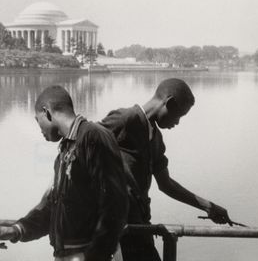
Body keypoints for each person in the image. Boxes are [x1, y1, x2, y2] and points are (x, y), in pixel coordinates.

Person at [0, 85, 129, 261]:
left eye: (37, 120)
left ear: (47, 112)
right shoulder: (65, 150)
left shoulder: (93, 136)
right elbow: (53, 208)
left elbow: (116, 207)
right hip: (68, 255)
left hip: (88, 255)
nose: (39, 129)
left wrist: (93, 256)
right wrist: (17, 229)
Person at [99, 78, 232, 261]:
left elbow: (166, 184)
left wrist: (208, 206)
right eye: (178, 116)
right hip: (117, 231)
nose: (177, 123)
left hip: (140, 227)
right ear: (167, 103)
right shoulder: (126, 119)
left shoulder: (156, 139)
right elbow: (84, 144)